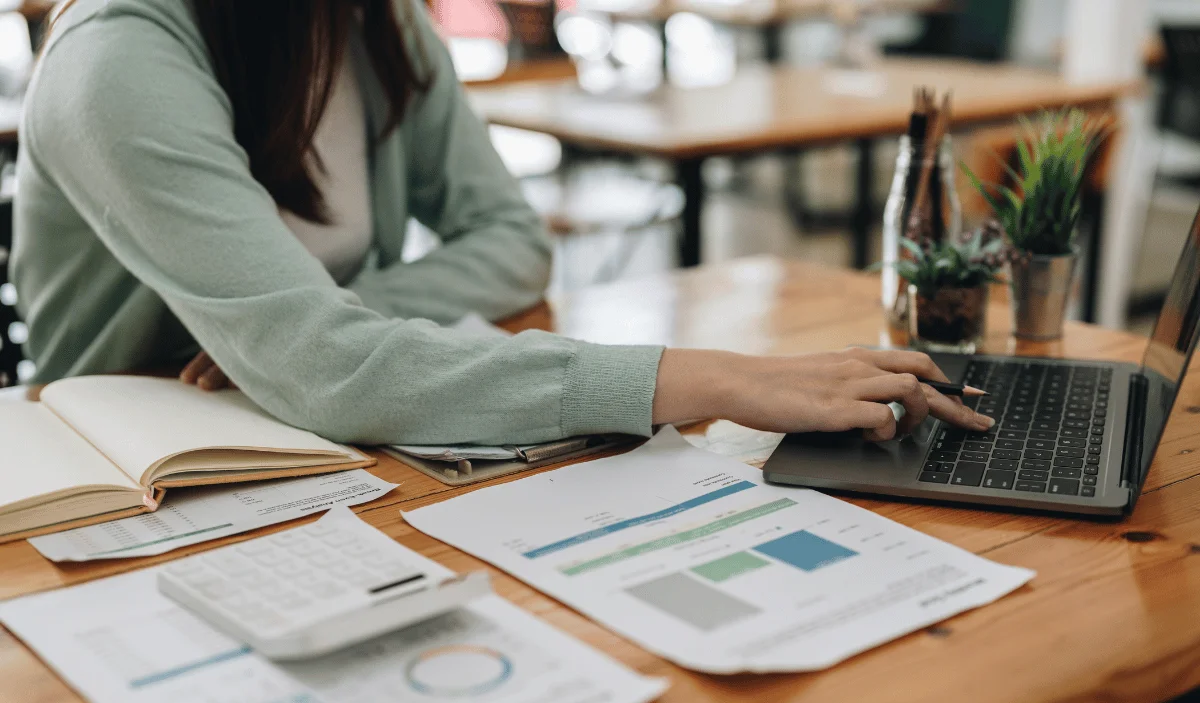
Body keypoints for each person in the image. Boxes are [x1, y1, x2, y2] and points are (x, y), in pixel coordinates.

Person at [12, 0, 993, 446]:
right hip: (111, 483)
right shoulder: (119, 59)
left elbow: (509, 243)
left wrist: (308, 319)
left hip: (287, 449)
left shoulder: (377, 28)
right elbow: (330, 368)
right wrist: (713, 377)